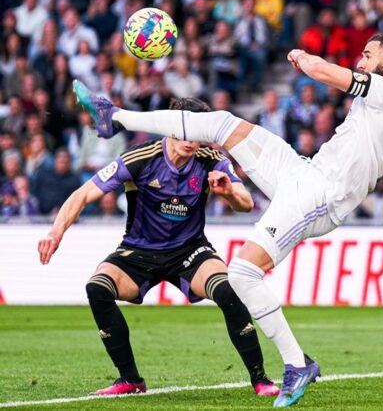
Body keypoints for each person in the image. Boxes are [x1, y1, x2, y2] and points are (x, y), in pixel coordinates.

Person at [73, 33, 383, 407]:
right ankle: (116, 117)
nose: (360, 61)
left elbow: (324, 72)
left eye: (367, 55)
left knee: (240, 274)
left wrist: (305, 59)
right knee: (222, 123)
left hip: (321, 196)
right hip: (301, 173)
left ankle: (296, 364)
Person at [36, 98, 278, 398]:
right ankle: (130, 379)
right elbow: (83, 195)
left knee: (227, 289)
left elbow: (246, 202)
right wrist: (55, 233)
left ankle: (261, 379)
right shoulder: (139, 158)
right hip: (138, 252)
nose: (190, 140)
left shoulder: (210, 159)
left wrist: (228, 191)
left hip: (190, 252)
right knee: (97, 288)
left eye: (196, 132)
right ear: (168, 127)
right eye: (183, 131)